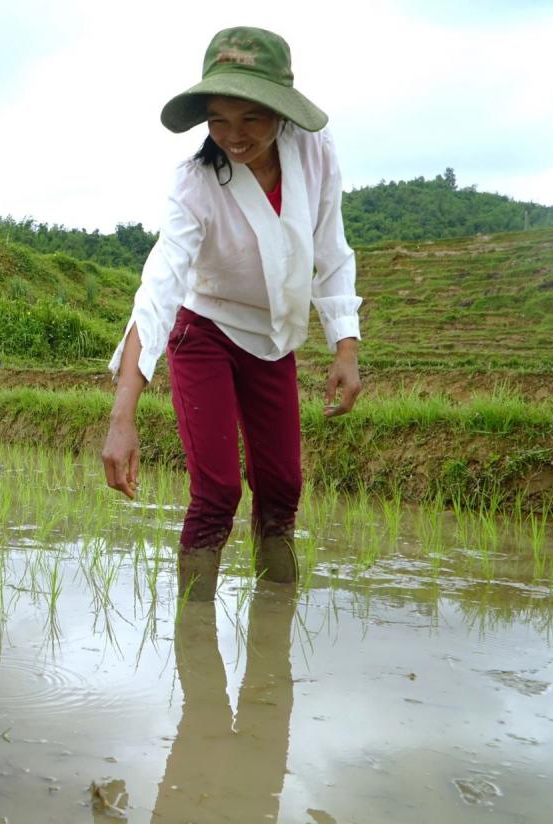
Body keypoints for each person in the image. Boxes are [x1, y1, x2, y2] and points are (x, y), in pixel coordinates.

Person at [101, 26, 362, 600]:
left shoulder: (314, 154)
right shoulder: (196, 184)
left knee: (283, 485)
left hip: (273, 338)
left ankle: (276, 626)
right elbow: (160, 289)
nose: (233, 136)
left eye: (251, 119)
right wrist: (123, 416)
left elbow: (332, 249)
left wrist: (345, 347)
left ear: (281, 111)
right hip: (205, 332)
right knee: (217, 488)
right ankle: (194, 636)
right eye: (218, 120)